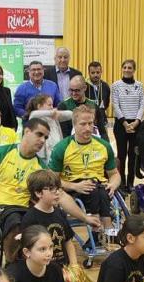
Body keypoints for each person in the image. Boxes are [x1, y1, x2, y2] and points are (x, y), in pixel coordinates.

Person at [0, 118, 100, 261]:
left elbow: (61, 195)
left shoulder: (40, 167)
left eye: (45, 137)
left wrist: (85, 218)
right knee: (16, 221)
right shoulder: (0, 154)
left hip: (25, 210)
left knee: (52, 219)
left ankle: (55, 265)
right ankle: (14, 265)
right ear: (26, 131)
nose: (43, 140)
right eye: (39, 134)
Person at [49, 105, 120, 245]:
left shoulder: (103, 145)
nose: (88, 128)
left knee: (101, 190)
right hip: (73, 189)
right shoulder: (62, 147)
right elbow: (51, 179)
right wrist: (74, 186)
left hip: (98, 187)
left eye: (90, 123)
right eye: (83, 124)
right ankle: (104, 228)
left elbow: (115, 174)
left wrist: (113, 184)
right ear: (74, 125)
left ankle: (101, 231)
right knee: (95, 189)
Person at [22, 170, 76, 266]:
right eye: (51, 189)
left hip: (64, 268)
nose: (57, 193)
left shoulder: (60, 213)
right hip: (44, 269)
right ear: (38, 193)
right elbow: (28, 253)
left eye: (58, 188)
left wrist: (74, 265)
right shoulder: (30, 218)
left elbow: (68, 241)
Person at [111, 59, 144, 191]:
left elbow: (142, 105)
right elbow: (115, 105)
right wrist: (125, 123)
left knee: (133, 155)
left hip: (136, 124)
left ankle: (130, 183)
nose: (127, 69)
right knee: (121, 155)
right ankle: (121, 182)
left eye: (129, 67)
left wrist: (136, 122)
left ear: (134, 70)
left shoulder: (140, 85)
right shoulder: (116, 85)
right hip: (121, 125)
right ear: (122, 69)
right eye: (124, 67)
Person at [57, 75, 108, 140]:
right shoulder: (63, 106)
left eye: (77, 90)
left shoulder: (94, 106)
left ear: (85, 88)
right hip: (72, 145)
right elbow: (63, 134)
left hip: (92, 145)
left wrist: (106, 146)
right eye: (71, 90)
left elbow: (102, 131)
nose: (73, 93)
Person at [25, 93, 72, 162]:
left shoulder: (54, 117)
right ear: (39, 106)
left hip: (56, 152)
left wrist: (57, 113)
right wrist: (52, 113)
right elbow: (34, 113)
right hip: (43, 156)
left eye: (52, 105)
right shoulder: (34, 117)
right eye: (49, 105)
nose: (52, 107)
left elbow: (70, 114)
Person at [85, 61, 110, 138]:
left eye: (98, 72)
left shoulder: (105, 86)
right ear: (89, 73)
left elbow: (106, 104)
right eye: (93, 73)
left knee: (104, 143)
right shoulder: (84, 86)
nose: (95, 75)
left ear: (101, 72)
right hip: (87, 121)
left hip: (102, 120)